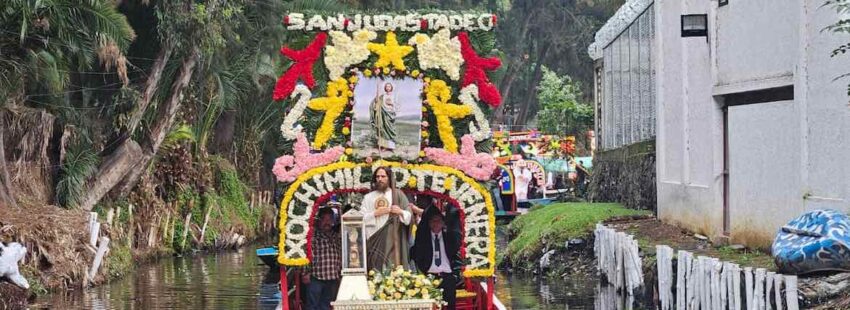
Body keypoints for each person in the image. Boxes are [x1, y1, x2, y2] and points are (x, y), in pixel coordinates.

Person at [361, 166, 413, 271]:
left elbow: (409, 215)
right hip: (374, 239)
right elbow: (361, 218)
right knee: (375, 269)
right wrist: (375, 213)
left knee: (392, 266)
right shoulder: (369, 197)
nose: (380, 179)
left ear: (389, 178)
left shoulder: (398, 194)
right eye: (377, 177)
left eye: (383, 176)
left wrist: (400, 211)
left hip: (393, 239)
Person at [411, 208, 461, 310]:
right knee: (430, 306)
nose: (436, 224)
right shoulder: (423, 238)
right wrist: (423, 271)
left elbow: (457, 253)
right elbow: (416, 254)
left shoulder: (450, 237)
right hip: (430, 277)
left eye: (438, 221)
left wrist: (455, 275)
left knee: (450, 306)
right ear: (429, 223)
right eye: (433, 221)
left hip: (448, 277)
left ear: (443, 223)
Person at [302, 207, 341, 310]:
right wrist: (305, 273)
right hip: (316, 277)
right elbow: (306, 254)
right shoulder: (313, 236)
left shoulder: (336, 236)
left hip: (332, 277)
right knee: (312, 305)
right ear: (319, 220)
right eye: (324, 219)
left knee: (327, 305)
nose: (327, 222)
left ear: (333, 221)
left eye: (329, 219)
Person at [370, 82, 398, 150]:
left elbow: (397, 105)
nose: (388, 88)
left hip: (390, 114)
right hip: (383, 115)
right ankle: (385, 146)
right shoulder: (382, 96)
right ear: (385, 88)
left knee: (390, 130)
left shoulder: (394, 96)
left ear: (391, 88)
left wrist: (391, 104)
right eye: (387, 86)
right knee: (383, 129)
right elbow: (376, 101)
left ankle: (391, 146)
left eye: (389, 86)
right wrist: (377, 94)